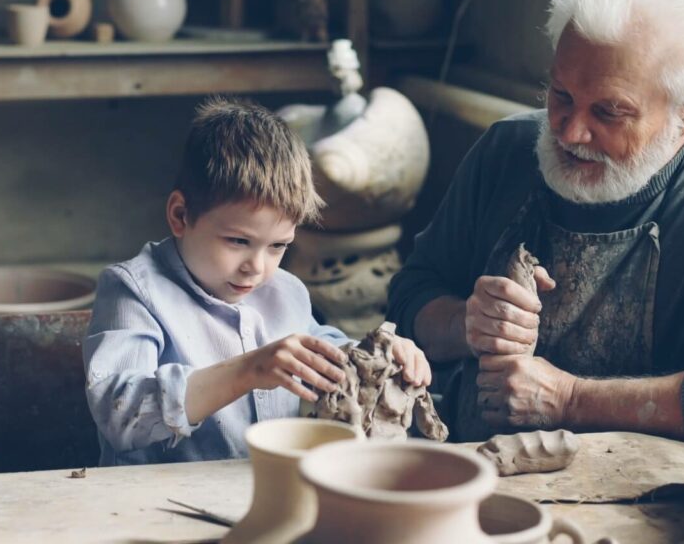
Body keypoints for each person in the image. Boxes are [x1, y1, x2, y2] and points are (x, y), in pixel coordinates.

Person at [387, 0, 684, 442]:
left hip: (651, 506)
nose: (571, 132)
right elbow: (411, 293)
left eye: (609, 112)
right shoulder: (505, 151)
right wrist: (463, 322)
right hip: (469, 464)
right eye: (560, 95)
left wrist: (570, 399)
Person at [84, 97, 431, 465]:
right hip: (150, 505)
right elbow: (119, 414)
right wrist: (247, 371)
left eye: (278, 246)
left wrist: (375, 354)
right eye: (238, 241)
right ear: (181, 215)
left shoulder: (285, 290)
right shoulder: (133, 292)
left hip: (262, 487)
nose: (257, 267)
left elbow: (322, 351)